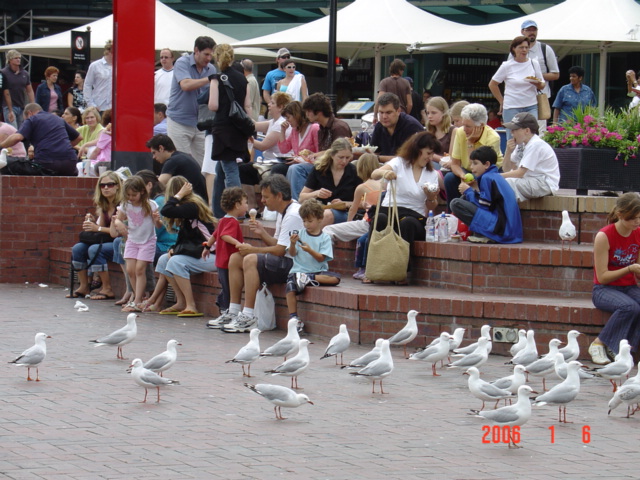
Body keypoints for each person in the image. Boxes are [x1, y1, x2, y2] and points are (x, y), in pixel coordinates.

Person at [209, 174, 303, 333]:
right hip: (285, 260)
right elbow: (277, 244)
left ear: (279, 196)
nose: (263, 201)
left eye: (266, 197)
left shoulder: (293, 214)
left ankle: (248, 315)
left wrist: (253, 250)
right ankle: (233, 311)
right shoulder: (283, 211)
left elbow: (281, 250)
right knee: (235, 258)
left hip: (296, 265)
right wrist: (262, 233)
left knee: (250, 259)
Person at [364, 132, 444, 283]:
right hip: (390, 210)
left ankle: (401, 271)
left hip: (414, 216)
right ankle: (371, 268)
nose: (430, 157)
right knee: (379, 219)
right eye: (428, 153)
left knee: (407, 223)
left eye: (432, 154)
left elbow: (431, 206)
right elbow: (375, 174)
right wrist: (385, 172)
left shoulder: (431, 174)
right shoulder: (399, 163)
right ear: (417, 149)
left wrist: (431, 196)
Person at [153, 176, 216, 317]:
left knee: (176, 261)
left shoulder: (192, 206)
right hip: (200, 254)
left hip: (213, 255)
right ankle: (181, 301)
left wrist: (179, 195)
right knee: (164, 260)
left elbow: (166, 210)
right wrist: (174, 249)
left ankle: (191, 305)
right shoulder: (186, 212)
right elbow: (187, 240)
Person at [590, 192, 640, 364]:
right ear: (620, 215)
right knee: (630, 307)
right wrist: (629, 268)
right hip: (604, 289)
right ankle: (599, 343)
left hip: (629, 287)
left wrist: (636, 270)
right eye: (633, 218)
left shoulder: (638, 233)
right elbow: (603, 277)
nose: (637, 222)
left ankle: (625, 351)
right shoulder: (604, 236)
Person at [207, 43, 253, 220]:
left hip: (223, 128)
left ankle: (237, 210)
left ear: (217, 58)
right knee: (222, 168)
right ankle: (218, 210)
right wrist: (249, 128)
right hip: (239, 128)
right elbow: (247, 105)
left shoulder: (216, 78)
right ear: (232, 57)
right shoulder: (243, 79)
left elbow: (213, 105)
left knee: (230, 168)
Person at [322, 153, 382, 280]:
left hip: (368, 222)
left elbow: (352, 210)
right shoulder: (384, 184)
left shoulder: (362, 187)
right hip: (381, 222)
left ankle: (322, 265)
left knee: (327, 230)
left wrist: (348, 224)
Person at [66, 170, 122, 300]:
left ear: (118, 186)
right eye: (102, 185)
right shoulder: (104, 204)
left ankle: (107, 288)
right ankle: (84, 286)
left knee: (94, 249)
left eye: (110, 184)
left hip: (120, 241)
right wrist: (92, 223)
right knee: (78, 248)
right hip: (107, 240)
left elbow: (117, 232)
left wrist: (97, 227)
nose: (106, 188)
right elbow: (100, 231)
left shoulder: (121, 205)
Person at [285, 199, 340, 330]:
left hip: (317, 272)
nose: (306, 224)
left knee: (335, 278)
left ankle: (308, 279)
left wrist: (309, 250)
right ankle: (294, 317)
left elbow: (321, 259)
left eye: (310, 221)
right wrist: (292, 244)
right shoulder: (300, 234)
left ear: (320, 219)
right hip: (298, 271)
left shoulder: (325, 237)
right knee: (290, 286)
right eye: (304, 221)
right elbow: (292, 254)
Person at [287, 92, 352, 200]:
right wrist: (312, 156)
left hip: (335, 166)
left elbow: (341, 151)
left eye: (308, 111)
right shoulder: (321, 128)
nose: (306, 114)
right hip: (324, 165)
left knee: (296, 169)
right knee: (289, 168)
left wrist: (318, 154)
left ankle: (298, 205)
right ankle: (295, 202)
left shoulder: (338, 127)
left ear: (319, 112)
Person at [451, 146, 522, 244]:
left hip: (502, 230)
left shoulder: (487, 178)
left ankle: (485, 234)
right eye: (471, 163)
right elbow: (490, 202)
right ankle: (482, 233)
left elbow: (484, 205)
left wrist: (468, 191)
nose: (471, 167)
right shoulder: (494, 176)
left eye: (475, 163)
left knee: (455, 203)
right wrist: (472, 190)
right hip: (509, 231)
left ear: (487, 164)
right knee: (464, 198)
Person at [166, 36, 217, 166]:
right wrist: (210, 79)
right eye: (206, 54)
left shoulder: (211, 69)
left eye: (211, 55)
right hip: (179, 121)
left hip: (200, 123)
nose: (209, 58)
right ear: (196, 50)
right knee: (181, 163)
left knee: (203, 164)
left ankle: (200, 186)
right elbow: (186, 85)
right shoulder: (182, 62)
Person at [114, 176, 162, 312]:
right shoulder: (125, 205)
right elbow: (118, 219)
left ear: (142, 191)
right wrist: (119, 224)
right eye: (128, 195)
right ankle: (137, 296)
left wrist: (156, 220)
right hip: (132, 240)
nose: (131, 197)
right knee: (130, 270)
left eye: (134, 195)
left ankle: (137, 300)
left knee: (140, 269)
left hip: (147, 240)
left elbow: (158, 225)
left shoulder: (150, 204)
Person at [444, 103, 503, 210]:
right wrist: (463, 176)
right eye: (463, 124)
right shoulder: (460, 132)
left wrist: (470, 143)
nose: (464, 129)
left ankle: (472, 213)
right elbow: (455, 164)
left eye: (468, 126)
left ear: (480, 126)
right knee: (449, 178)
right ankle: (451, 214)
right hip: (467, 171)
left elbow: (478, 168)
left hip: (486, 173)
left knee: (477, 178)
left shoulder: (493, 138)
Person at [203, 187, 248, 322]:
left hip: (220, 261)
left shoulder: (222, 220)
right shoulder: (232, 222)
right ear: (237, 205)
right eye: (245, 202)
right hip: (229, 262)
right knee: (230, 288)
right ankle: (227, 309)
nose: (247, 206)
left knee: (225, 286)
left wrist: (208, 246)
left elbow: (215, 235)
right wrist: (237, 244)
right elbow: (224, 235)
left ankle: (225, 307)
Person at [489, 35, 545, 140]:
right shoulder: (507, 65)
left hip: (531, 104)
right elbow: (493, 84)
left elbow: (542, 84)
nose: (524, 50)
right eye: (521, 47)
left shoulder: (534, 63)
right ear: (514, 49)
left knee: (532, 136)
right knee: (512, 137)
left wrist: (536, 83)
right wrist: (502, 101)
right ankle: (512, 156)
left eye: (526, 47)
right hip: (512, 106)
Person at [0, 103, 81, 176]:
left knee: (10, 166)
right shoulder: (58, 119)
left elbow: (17, 137)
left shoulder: (32, 119)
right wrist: (62, 147)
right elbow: (79, 137)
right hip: (70, 163)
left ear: (29, 113)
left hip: (46, 163)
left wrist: (1, 146)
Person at [299, 138, 362, 228]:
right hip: (320, 210)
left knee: (325, 215)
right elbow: (301, 197)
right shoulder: (319, 169)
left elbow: (364, 203)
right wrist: (317, 193)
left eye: (348, 158)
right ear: (332, 155)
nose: (344, 161)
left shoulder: (354, 171)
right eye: (341, 157)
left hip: (345, 213)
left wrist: (344, 203)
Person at [501, 112, 560, 202]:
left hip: (544, 183)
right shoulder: (521, 144)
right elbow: (507, 169)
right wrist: (508, 151)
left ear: (527, 131)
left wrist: (496, 176)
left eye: (515, 129)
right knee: (504, 184)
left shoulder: (535, 144)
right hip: (530, 180)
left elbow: (520, 173)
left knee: (507, 183)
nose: (512, 133)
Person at [146, 134, 208, 202]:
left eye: (154, 153)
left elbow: (158, 187)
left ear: (161, 148)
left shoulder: (172, 161)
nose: (153, 157)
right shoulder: (182, 156)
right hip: (200, 200)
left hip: (193, 202)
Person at [370, 92, 424, 164]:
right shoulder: (379, 126)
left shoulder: (411, 126)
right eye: (381, 112)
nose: (384, 117)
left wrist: (377, 158)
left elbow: (408, 158)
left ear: (398, 111)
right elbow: (374, 152)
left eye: (388, 112)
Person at [270, 100, 320, 177]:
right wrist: (282, 131)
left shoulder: (314, 128)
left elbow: (319, 153)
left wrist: (301, 159)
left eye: (288, 117)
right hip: (297, 164)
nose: (287, 121)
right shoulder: (295, 130)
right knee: (276, 168)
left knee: (278, 169)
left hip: (309, 166)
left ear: (296, 115)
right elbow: (284, 149)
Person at [517, 20, 560, 101]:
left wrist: (536, 77)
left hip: (541, 96)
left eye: (534, 30)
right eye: (528, 30)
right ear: (522, 31)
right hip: (520, 96)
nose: (532, 32)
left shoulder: (545, 49)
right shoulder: (515, 50)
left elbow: (556, 75)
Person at [251, 91, 292, 164]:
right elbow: (254, 125)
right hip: (269, 161)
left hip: (275, 163)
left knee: (244, 169)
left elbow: (262, 146)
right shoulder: (273, 122)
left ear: (280, 107)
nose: (269, 104)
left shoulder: (280, 124)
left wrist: (246, 139)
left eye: (272, 103)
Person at [1, 50, 34, 129]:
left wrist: (33, 105)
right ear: (10, 60)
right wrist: (10, 109)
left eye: (19, 58)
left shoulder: (24, 73)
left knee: (21, 131)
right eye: (15, 58)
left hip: (21, 106)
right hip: (8, 106)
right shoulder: (3, 73)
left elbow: (29, 90)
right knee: (14, 130)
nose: (18, 59)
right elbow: (5, 92)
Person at [423, 96, 456, 167]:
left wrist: (431, 155)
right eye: (428, 113)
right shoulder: (428, 130)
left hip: (444, 167)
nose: (429, 116)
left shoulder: (453, 131)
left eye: (433, 113)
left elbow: (450, 159)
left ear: (443, 113)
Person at [84, 40, 113, 113]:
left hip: (114, 107)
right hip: (98, 106)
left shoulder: (120, 66)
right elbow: (87, 84)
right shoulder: (95, 65)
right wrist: (90, 104)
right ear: (109, 51)